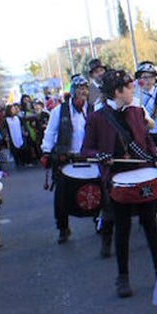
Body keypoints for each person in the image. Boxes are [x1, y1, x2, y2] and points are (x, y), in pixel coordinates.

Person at [81, 69, 157, 298]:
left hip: (142, 174)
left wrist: (155, 155)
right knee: (123, 227)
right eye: (129, 87)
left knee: (150, 223)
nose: (132, 91)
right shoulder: (97, 118)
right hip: (117, 179)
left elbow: (146, 139)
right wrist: (100, 156)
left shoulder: (136, 111)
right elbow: (86, 149)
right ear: (118, 92)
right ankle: (123, 277)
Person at [41, 76, 93, 243]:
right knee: (61, 195)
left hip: (89, 157)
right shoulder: (59, 110)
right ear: (73, 91)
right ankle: (63, 227)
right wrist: (46, 152)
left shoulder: (94, 108)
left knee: (98, 190)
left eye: (85, 88)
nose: (83, 92)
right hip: (66, 157)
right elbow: (50, 132)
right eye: (80, 88)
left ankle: (100, 222)